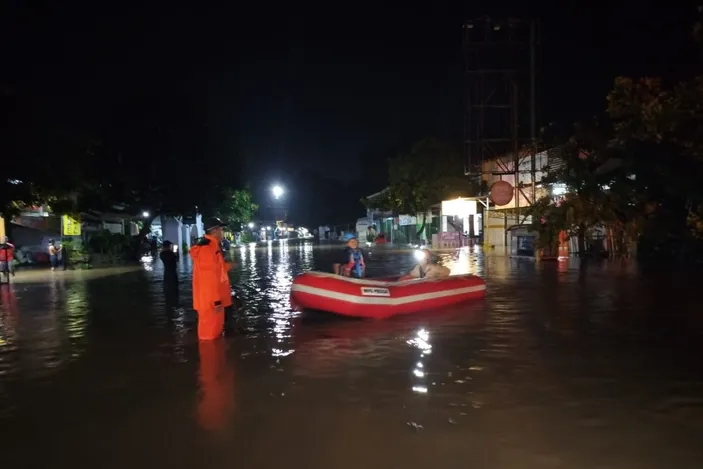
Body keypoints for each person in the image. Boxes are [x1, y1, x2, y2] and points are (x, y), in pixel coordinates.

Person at [190, 218, 235, 341]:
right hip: (211, 302)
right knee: (209, 339)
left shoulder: (213, 247)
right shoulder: (207, 249)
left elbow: (217, 270)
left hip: (213, 300)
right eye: (222, 229)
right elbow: (208, 278)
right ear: (215, 231)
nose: (223, 232)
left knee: (215, 336)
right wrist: (216, 301)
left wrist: (229, 266)